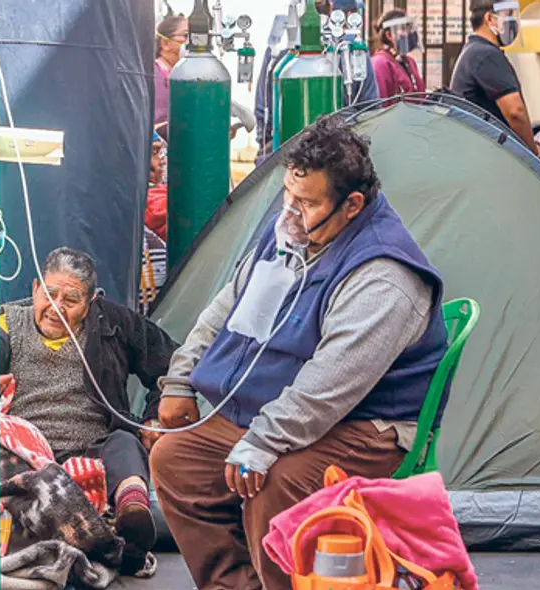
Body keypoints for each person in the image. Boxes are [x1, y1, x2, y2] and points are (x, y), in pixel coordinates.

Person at [149, 116, 449, 590]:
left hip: (368, 424)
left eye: (307, 204)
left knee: (273, 479)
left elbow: (329, 386)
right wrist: (181, 379)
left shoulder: (384, 276)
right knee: (174, 460)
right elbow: (228, 306)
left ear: (352, 205)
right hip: (282, 408)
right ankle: (235, 584)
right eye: (289, 195)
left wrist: (262, 443)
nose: (290, 213)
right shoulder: (291, 230)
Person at [0, 247, 178, 573]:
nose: (56, 306)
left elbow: (173, 365)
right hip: (27, 455)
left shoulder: (115, 323)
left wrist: (154, 415)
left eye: (71, 299)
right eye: (49, 293)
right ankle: (100, 538)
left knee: (124, 441)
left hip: (93, 449)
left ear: (90, 301)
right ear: (35, 289)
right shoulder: (5, 323)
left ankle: (133, 510)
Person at [254, 0, 379, 163]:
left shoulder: (349, 50)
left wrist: (265, 146)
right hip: (334, 158)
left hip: (305, 157)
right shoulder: (281, 51)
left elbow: (264, 112)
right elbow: (371, 111)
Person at [450, 0, 540, 159]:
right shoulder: (486, 55)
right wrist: (533, 152)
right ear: (489, 18)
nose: (513, 21)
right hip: (488, 156)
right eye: (507, 15)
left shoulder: (473, 51)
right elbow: (515, 112)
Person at [371, 9, 426, 98]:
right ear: (389, 35)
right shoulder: (379, 63)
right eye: (403, 29)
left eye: (409, 29)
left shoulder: (409, 61)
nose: (408, 33)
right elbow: (380, 105)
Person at [155, 15, 188, 140]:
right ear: (165, 43)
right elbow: (158, 126)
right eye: (186, 36)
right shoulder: (157, 75)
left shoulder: (180, 75)